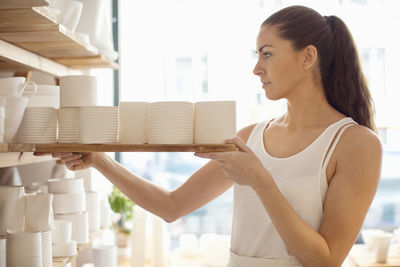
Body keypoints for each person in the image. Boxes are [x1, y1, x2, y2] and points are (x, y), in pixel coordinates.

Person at [35, 5, 382, 267]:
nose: (256, 68)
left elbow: (327, 260)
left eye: (268, 54)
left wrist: (261, 181)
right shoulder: (252, 136)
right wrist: (99, 160)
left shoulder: (357, 144)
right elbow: (171, 207)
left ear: (308, 57)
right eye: (256, 55)